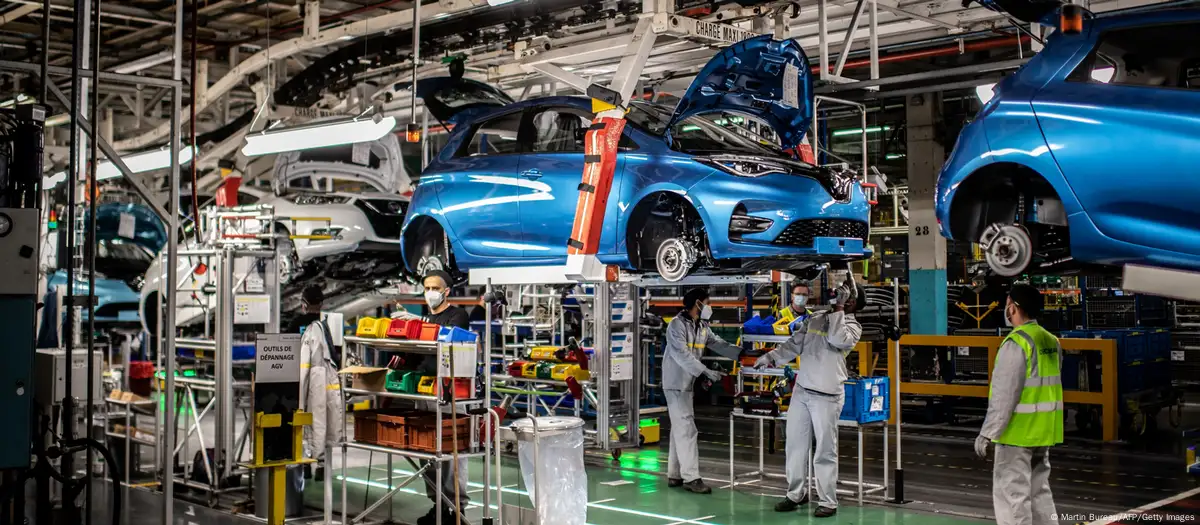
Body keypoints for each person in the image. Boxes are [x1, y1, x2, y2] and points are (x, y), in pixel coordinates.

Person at [754, 279, 863, 518]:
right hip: (802, 392)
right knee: (795, 445)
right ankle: (796, 494)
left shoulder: (852, 327)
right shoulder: (817, 318)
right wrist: (772, 357)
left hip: (827, 396)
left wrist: (839, 310)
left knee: (824, 450)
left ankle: (828, 501)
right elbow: (795, 344)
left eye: (846, 297)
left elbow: (836, 339)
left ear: (853, 303)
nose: (838, 297)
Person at [975, 284, 1062, 525]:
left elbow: (1004, 396)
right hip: (1044, 431)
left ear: (1013, 308)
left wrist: (987, 434)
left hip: (1016, 434)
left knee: (1012, 497)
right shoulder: (1050, 341)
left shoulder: (1016, 343)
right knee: (1040, 493)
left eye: (1007, 305)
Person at [662, 288, 739, 494]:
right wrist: (706, 371)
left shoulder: (702, 326)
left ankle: (675, 474)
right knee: (687, 428)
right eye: (707, 302)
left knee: (680, 427)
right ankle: (692, 478)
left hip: (688, 384)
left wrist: (741, 353)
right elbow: (682, 356)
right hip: (675, 383)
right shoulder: (676, 326)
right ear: (697, 304)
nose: (709, 306)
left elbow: (717, 343)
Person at [416, 269, 471, 525]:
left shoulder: (457, 315)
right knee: (427, 451)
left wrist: (422, 329)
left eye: (434, 288)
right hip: (425, 388)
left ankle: (455, 508)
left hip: (449, 391)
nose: (430, 293)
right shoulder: (426, 316)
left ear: (446, 291)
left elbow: (446, 342)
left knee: (451, 449)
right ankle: (437, 504)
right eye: (426, 288)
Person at [297, 285, 343, 473]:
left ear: (303, 304)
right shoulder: (328, 326)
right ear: (322, 304)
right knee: (322, 420)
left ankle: (307, 462)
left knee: (308, 420)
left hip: (308, 381)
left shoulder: (300, 325)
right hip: (325, 381)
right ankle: (321, 463)